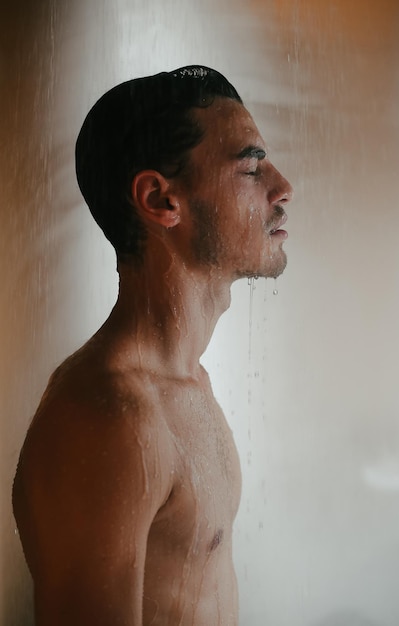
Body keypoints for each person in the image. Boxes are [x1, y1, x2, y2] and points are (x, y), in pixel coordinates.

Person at [13, 65, 293, 626]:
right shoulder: (108, 418)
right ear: (161, 199)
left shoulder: (187, 383)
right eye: (251, 166)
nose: (282, 188)